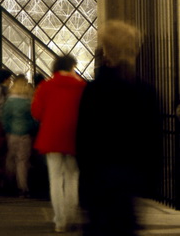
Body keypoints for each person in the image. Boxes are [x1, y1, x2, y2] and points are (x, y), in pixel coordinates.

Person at [76, 20, 161, 236]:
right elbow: (153, 143)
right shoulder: (146, 92)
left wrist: (85, 182)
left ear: (106, 51)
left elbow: (83, 141)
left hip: (98, 181)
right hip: (129, 182)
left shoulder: (94, 91)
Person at [31, 54, 86, 233]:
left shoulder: (46, 86)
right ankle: (71, 216)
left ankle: (60, 220)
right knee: (72, 179)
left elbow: (37, 112)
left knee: (55, 179)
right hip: (73, 137)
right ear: (72, 67)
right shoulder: (81, 86)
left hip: (51, 137)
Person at [1, 74, 36, 197]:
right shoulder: (28, 101)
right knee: (22, 162)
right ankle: (23, 187)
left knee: (10, 159)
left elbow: (5, 118)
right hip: (25, 135)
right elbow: (33, 119)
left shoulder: (10, 100)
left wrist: (8, 130)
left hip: (12, 134)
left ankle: (9, 184)